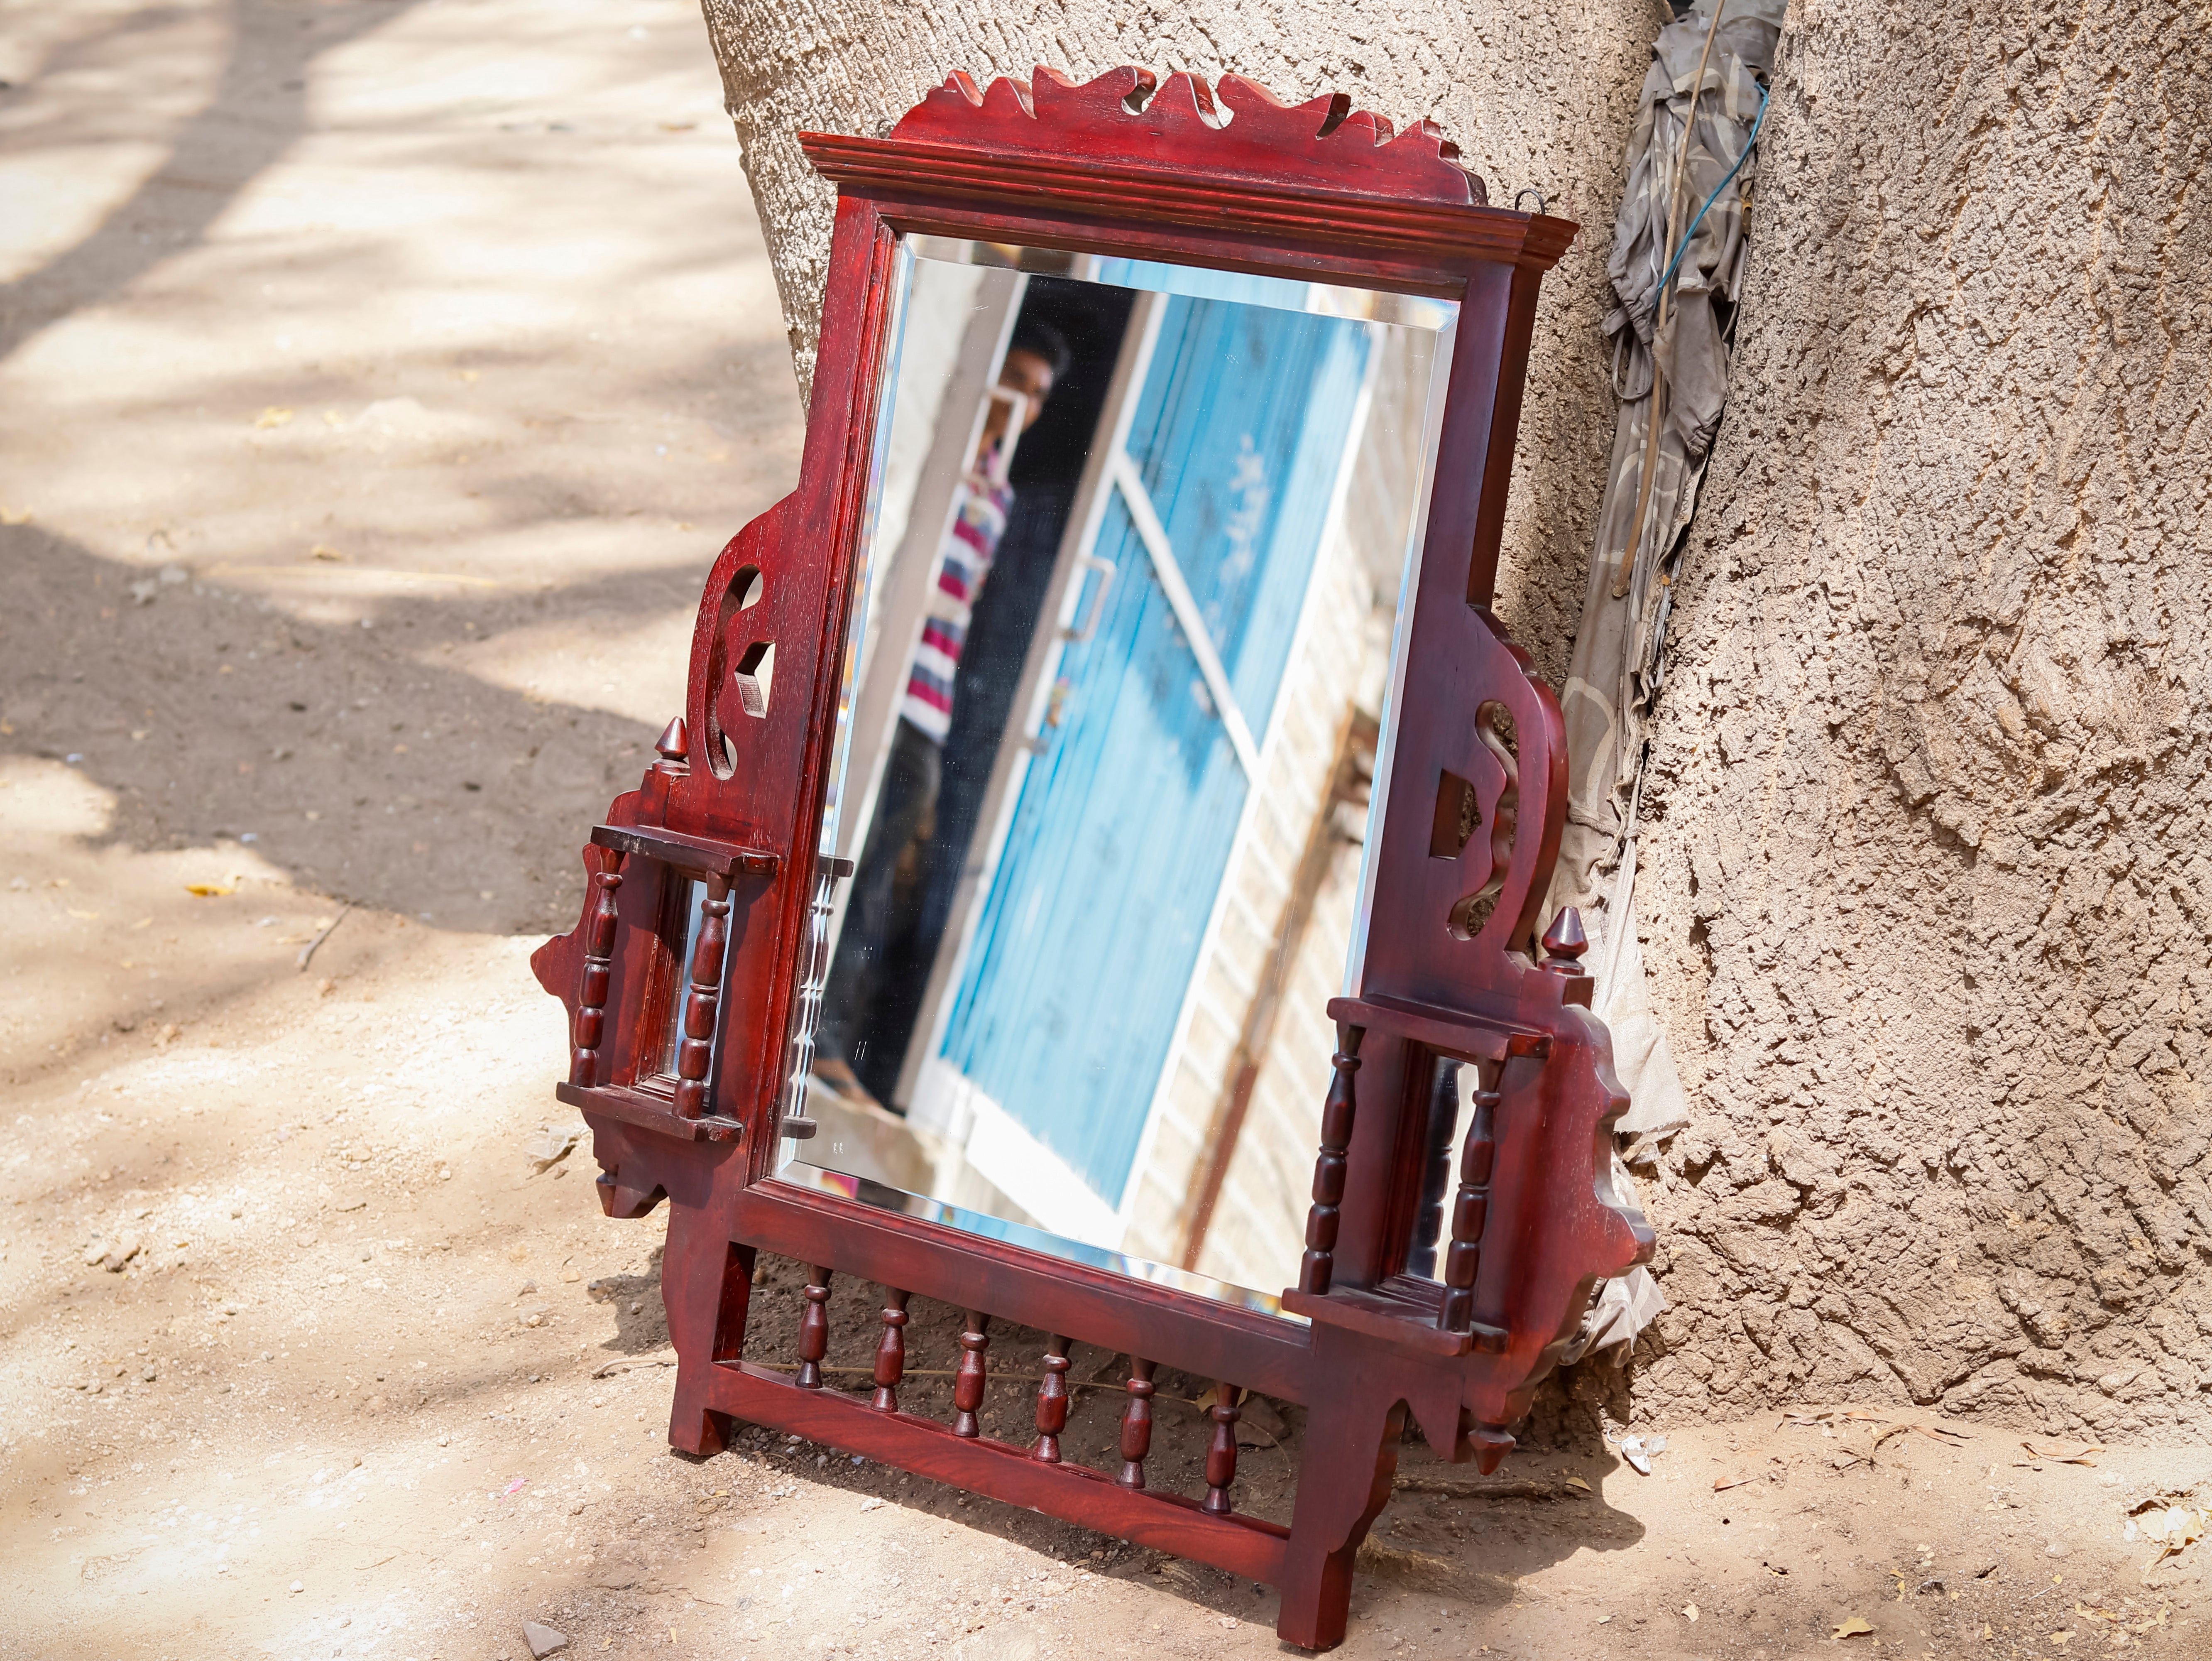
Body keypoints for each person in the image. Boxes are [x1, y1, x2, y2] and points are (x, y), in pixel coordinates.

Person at [812, 318, 1071, 1107]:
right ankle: (821, 1037)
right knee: (863, 849)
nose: (1016, 402)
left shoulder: (1000, 489)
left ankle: (833, 1035)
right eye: (1012, 380)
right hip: (892, 685)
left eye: (1034, 396)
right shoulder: (953, 453)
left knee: (885, 865)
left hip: (930, 700)